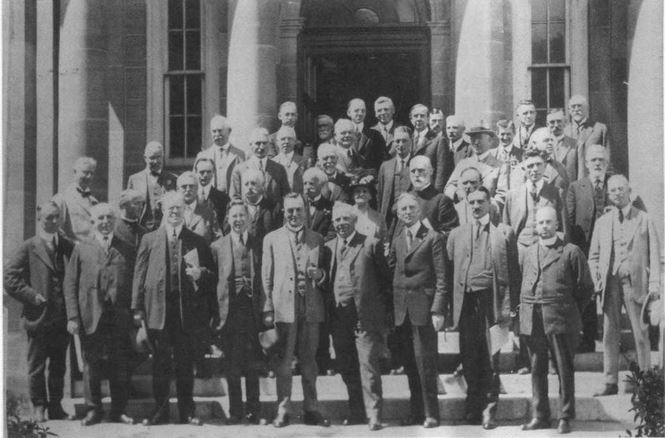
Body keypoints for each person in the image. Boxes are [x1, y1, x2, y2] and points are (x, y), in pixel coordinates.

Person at [132, 191, 217, 426]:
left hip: (185, 313)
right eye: (170, 208)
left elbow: (211, 276)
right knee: (160, 364)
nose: (174, 212)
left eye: (178, 208)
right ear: (163, 211)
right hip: (157, 312)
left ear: (184, 211)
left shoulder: (197, 241)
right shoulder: (149, 240)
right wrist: (137, 308)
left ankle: (187, 412)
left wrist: (201, 274)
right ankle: (159, 412)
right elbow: (139, 276)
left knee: (184, 363)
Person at [445, 187, 520, 429]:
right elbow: (449, 272)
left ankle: (489, 407)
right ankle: (473, 403)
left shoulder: (503, 233)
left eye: (480, 202)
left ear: (489, 204)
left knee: (491, 356)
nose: (476, 206)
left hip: (492, 302)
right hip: (466, 303)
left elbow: (513, 274)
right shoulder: (456, 234)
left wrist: (510, 308)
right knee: (469, 355)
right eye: (472, 202)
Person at [519, 206, 593, 434]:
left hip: (561, 319)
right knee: (537, 368)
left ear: (556, 225)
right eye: (540, 223)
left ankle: (565, 416)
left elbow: (586, 288)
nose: (544, 226)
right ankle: (540, 415)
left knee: (564, 368)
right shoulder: (529, 252)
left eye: (548, 222)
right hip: (534, 318)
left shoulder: (571, 252)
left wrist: (570, 311)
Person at [63, 203, 136, 426]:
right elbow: (70, 283)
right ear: (93, 222)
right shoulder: (82, 248)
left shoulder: (126, 248)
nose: (105, 221)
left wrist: (134, 313)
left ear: (114, 221)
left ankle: (118, 410)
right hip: (91, 316)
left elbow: (135, 283)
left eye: (109, 218)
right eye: (100, 218)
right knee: (91, 365)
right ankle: (94, 410)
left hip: (118, 317)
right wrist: (73, 317)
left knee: (119, 365)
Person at [588, 175, 661, 397]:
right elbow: (593, 256)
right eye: (613, 191)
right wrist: (597, 277)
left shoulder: (644, 219)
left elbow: (654, 256)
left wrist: (654, 284)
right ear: (608, 195)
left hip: (635, 283)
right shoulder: (602, 222)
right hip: (610, 284)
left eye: (621, 189)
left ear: (629, 190)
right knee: (610, 333)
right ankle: (610, 381)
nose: (617, 193)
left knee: (641, 333)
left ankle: (645, 381)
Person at [261, 193, 330, 428]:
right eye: (289, 210)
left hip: (310, 308)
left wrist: (320, 275)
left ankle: (312, 408)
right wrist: (268, 308)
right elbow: (266, 279)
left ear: (305, 211)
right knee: (284, 363)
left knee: (310, 361)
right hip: (283, 309)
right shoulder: (272, 239)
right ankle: (283, 409)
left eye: (298, 210)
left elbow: (325, 275)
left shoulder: (317, 239)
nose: (293, 214)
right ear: (284, 212)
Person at [321, 202, 391, 431]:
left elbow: (384, 283)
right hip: (339, 317)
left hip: (364, 315)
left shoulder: (371, 244)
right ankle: (357, 412)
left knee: (368, 365)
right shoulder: (328, 247)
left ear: (354, 221)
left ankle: (374, 415)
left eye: (345, 219)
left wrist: (380, 316)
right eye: (337, 220)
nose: (341, 224)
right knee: (347, 366)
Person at [4, 201, 76, 422]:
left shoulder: (66, 245)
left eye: (56, 217)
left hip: (61, 318)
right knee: (36, 367)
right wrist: (32, 296)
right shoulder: (29, 246)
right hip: (38, 318)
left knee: (58, 367)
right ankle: (39, 407)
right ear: (39, 220)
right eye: (48, 218)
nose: (53, 221)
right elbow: (9, 278)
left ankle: (56, 406)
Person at [388, 193, 446, 428]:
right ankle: (415, 412)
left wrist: (438, 310)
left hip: (424, 309)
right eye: (403, 210)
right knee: (411, 364)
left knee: (426, 364)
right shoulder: (399, 238)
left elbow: (442, 277)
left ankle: (431, 413)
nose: (408, 212)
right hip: (402, 310)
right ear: (399, 215)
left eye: (412, 208)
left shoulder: (433, 238)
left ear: (420, 210)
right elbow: (392, 267)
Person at [210, 200, 265, 425]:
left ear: (249, 219)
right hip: (229, 314)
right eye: (234, 216)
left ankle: (254, 411)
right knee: (232, 367)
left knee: (252, 366)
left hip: (251, 313)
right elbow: (212, 282)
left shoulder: (259, 244)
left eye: (242, 216)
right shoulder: (217, 247)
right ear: (228, 220)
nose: (238, 220)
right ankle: (235, 411)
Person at [566, 145, 611, 352]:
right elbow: (570, 218)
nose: (597, 163)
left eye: (601, 160)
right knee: (587, 291)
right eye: (593, 160)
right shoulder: (576, 187)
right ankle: (589, 337)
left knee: (612, 290)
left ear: (607, 163)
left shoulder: (615, 185)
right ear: (586, 164)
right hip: (585, 248)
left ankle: (611, 336)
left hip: (611, 248)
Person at [503, 149, 568, 263]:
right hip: (521, 252)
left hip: (548, 252)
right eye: (530, 166)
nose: (535, 169)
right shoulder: (512, 196)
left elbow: (564, 228)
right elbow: (506, 229)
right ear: (524, 168)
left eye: (538, 164)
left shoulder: (556, 193)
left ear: (545, 166)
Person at [444, 122, 504, 202]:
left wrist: (483, 204)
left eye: (479, 138)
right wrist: (457, 193)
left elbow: (502, 196)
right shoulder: (463, 164)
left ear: (489, 140)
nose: (475, 142)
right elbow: (448, 187)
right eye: (472, 138)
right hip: (463, 211)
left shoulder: (500, 167)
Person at [230, 127, 290, 204]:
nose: (261, 147)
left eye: (264, 143)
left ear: (269, 145)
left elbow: (286, 197)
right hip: (249, 213)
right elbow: (235, 199)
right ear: (251, 145)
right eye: (257, 143)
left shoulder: (279, 169)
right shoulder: (239, 170)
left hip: (273, 214)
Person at [127, 141, 178, 230]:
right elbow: (128, 206)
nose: (156, 161)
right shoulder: (134, 179)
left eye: (159, 157)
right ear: (145, 158)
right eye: (152, 158)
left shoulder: (174, 179)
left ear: (163, 157)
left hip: (165, 229)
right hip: (141, 228)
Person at [406, 156, 459, 236]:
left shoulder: (441, 200)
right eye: (413, 171)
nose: (416, 174)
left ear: (431, 171)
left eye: (421, 170)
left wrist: (428, 233)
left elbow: (452, 235)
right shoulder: (406, 198)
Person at [51, 156, 99, 241]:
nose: (89, 177)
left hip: (93, 251)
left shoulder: (94, 201)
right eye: (85, 172)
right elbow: (56, 230)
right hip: (73, 251)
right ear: (75, 172)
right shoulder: (61, 199)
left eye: (92, 173)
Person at [195, 114, 246, 194]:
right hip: (209, 202)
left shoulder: (239, 155)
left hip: (232, 202)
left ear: (229, 131)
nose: (216, 134)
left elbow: (244, 181)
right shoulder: (202, 155)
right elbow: (195, 182)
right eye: (214, 131)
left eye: (219, 131)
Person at [229, 169, 283, 243]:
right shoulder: (235, 207)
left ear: (262, 186)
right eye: (246, 184)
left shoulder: (274, 207)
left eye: (253, 183)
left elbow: (278, 235)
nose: (249, 187)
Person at [563, 95, 611, 178]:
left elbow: (607, 158)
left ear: (586, 109)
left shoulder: (599, 129)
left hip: (592, 180)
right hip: (570, 183)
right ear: (569, 111)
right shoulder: (565, 132)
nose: (576, 109)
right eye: (573, 107)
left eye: (579, 106)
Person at [377, 126, 413, 236]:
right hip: (389, 220)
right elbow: (380, 195)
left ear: (411, 142)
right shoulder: (385, 166)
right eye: (397, 141)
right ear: (393, 143)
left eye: (404, 141)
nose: (401, 145)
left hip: (409, 217)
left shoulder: (416, 164)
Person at [410, 104, 453, 191]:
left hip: (428, 191)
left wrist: (436, 195)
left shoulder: (438, 140)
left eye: (422, 116)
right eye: (415, 116)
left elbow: (441, 172)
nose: (418, 119)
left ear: (427, 119)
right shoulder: (407, 139)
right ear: (411, 119)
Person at [178, 171, 221, 244]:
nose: (188, 189)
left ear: (197, 188)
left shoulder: (208, 211)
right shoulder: (172, 211)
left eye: (191, 186)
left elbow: (218, 238)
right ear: (178, 189)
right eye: (184, 187)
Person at [346, 98, 386, 171]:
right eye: (356, 110)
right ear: (349, 113)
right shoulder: (342, 135)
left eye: (363, 111)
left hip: (369, 179)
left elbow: (381, 162)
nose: (360, 113)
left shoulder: (375, 135)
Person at [194, 157, 230, 231]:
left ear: (214, 172)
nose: (205, 175)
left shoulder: (223, 198)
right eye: (202, 172)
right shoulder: (191, 196)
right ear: (195, 172)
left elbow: (225, 225)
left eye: (209, 172)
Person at [302, 167, 335, 242]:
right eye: (305, 183)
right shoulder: (297, 203)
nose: (307, 187)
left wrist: (317, 244)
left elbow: (331, 234)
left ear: (321, 185)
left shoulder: (331, 207)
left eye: (311, 183)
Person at [349, 177, 387, 241]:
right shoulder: (346, 214)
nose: (361, 194)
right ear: (353, 196)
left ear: (370, 196)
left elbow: (385, 241)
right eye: (358, 191)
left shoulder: (379, 217)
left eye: (365, 191)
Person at [272, 126, 306, 193]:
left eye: (290, 139)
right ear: (277, 142)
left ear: (295, 141)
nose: (286, 142)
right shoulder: (272, 163)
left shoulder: (304, 161)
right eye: (283, 139)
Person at [547, 109, 578, 183]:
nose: (556, 125)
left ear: (565, 123)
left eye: (559, 121)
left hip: (567, 191)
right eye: (552, 122)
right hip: (546, 191)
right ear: (547, 124)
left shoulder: (575, 144)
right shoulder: (541, 145)